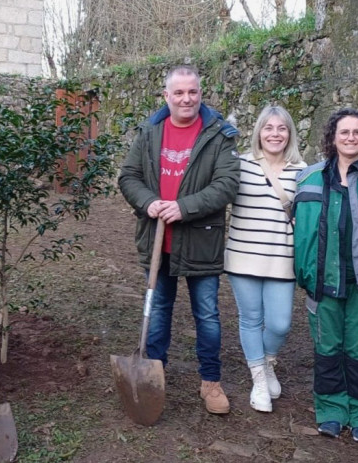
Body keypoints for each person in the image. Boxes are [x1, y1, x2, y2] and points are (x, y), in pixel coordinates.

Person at [118, 65, 240, 414]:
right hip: (157, 240)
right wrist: (148, 202)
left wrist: (183, 207)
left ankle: (211, 382)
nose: (187, 98)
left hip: (201, 240)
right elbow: (129, 176)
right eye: (179, 93)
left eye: (193, 92)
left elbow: (227, 184)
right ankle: (153, 373)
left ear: (200, 94)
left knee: (207, 314)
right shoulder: (150, 131)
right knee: (157, 311)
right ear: (166, 96)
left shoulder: (219, 135)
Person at [294, 108, 358, 444]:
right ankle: (331, 411)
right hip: (324, 282)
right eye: (344, 132)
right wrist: (306, 272)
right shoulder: (310, 179)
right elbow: (303, 234)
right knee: (328, 349)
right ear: (333, 137)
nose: (351, 137)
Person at [224, 105, 306, 413]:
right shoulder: (240, 165)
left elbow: (308, 215)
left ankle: (268, 363)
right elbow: (217, 191)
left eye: (281, 128)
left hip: (282, 257)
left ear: (289, 134)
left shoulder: (302, 170)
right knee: (251, 318)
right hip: (243, 255)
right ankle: (259, 380)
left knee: (280, 323)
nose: (275, 134)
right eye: (268, 128)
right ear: (259, 132)